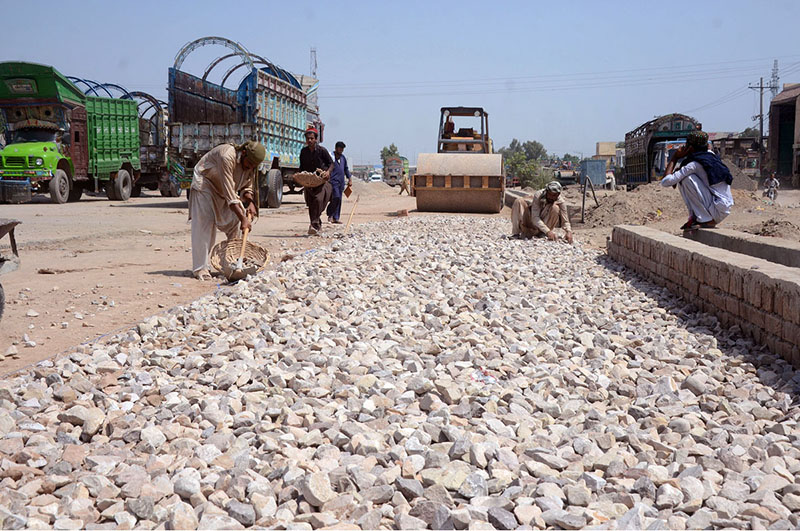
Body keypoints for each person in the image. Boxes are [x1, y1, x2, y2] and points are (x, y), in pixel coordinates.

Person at [189, 141, 265, 280]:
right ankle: (201, 268)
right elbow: (230, 194)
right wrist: (243, 218)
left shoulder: (250, 165)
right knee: (205, 223)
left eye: (254, 166)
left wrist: (251, 203)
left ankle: (232, 262)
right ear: (243, 154)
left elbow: (247, 187)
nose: (251, 168)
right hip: (205, 184)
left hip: (222, 190)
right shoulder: (227, 156)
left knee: (235, 221)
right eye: (250, 164)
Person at [660, 131, 733, 230]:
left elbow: (665, 182)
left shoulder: (693, 164)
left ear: (690, 148)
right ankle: (697, 218)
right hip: (722, 207)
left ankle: (705, 219)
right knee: (684, 177)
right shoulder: (710, 156)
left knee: (686, 179)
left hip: (716, 209)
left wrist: (675, 157)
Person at [299, 127, 333, 235]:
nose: (309, 140)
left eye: (311, 138)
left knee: (318, 200)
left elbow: (331, 164)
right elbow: (301, 167)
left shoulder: (322, 151)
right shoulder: (303, 152)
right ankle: (315, 224)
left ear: (316, 139)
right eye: (308, 138)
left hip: (322, 181)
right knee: (311, 203)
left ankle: (314, 224)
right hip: (309, 182)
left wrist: (328, 172)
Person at [326, 141, 351, 224]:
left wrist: (349, 178)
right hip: (333, 182)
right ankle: (330, 214)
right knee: (335, 197)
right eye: (340, 149)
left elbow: (346, 169)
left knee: (339, 199)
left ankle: (336, 217)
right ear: (336, 148)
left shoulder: (343, 158)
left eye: (342, 149)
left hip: (341, 182)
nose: (341, 150)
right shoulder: (331, 157)